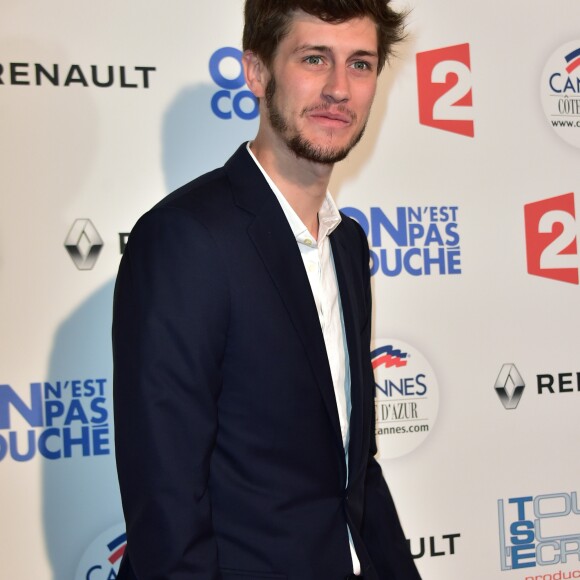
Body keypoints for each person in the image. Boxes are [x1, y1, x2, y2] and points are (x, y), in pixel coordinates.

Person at [113, 1, 422, 578]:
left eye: (360, 64)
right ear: (256, 72)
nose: (339, 89)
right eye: (314, 59)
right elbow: (166, 500)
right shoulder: (186, 239)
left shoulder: (347, 244)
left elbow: (355, 467)